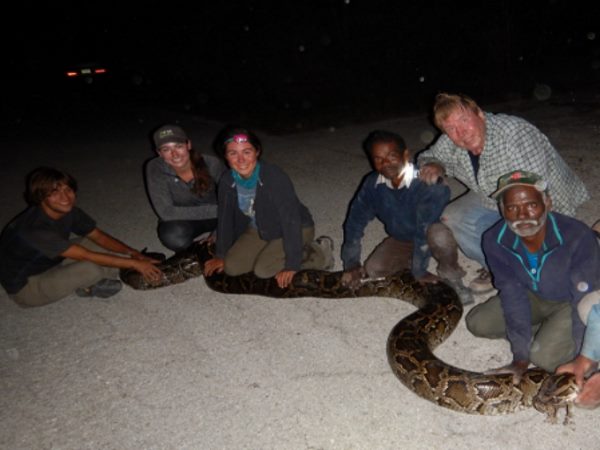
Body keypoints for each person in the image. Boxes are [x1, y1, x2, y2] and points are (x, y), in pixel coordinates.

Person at [418, 92, 589, 293]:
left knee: (518, 238)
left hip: (544, 202)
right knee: (451, 217)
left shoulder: (515, 134)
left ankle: (534, 268)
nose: (461, 132)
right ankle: (497, 268)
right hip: (493, 197)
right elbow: (427, 156)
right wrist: (433, 164)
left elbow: (533, 195)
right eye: (451, 128)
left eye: (464, 120)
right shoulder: (449, 142)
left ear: (480, 114)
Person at [465, 170, 600, 383]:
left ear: (547, 203)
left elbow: (584, 299)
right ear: (502, 210)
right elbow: (512, 293)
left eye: (531, 205)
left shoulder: (577, 235)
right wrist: (520, 358)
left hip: (570, 301)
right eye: (512, 207)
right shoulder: (494, 239)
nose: (522, 215)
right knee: (478, 323)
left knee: (544, 358)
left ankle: (550, 335)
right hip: (533, 294)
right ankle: (543, 332)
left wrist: (583, 357)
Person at [340, 130, 473, 304]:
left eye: (391, 156)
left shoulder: (429, 183)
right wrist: (351, 263)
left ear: (405, 155)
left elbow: (424, 229)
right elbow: (354, 222)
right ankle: (412, 263)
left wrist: (419, 271)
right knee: (374, 270)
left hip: (431, 232)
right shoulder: (372, 184)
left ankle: (452, 275)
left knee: (439, 234)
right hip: (403, 237)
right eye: (378, 159)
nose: (385, 164)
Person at [0, 167, 163, 307]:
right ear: (40, 196)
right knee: (91, 269)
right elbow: (86, 256)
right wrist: (135, 263)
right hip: (27, 287)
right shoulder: (34, 229)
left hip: (49, 259)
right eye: (55, 193)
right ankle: (88, 286)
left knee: (94, 245)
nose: (65, 198)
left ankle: (117, 270)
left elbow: (98, 237)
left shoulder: (69, 210)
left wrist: (134, 253)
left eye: (68, 190)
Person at [203, 127, 334, 289]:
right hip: (259, 228)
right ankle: (271, 252)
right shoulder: (227, 180)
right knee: (232, 267)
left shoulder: (274, 177)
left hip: (295, 228)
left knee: (264, 270)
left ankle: (320, 251)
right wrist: (221, 254)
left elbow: (291, 221)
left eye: (247, 152)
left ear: (257, 152)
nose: (241, 159)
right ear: (225, 156)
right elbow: (225, 218)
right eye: (233, 153)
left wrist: (292, 264)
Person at [146, 124, 226, 252]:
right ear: (159, 153)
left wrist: (218, 232)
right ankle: (197, 251)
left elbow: (232, 198)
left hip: (219, 216)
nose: (175, 154)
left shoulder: (211, 163)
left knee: (245, 220)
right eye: (166, 149)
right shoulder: (155, 168)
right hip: (186, 218)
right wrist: (220, 210)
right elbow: (166, 212)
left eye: (179, 146)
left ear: (188, 145)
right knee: (172, 237)